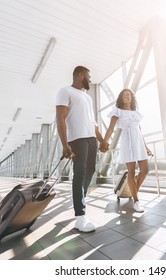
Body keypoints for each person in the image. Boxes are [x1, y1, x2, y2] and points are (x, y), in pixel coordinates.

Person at [56, 66, 108, 232]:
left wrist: (101, 140)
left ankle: (80, 200)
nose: (90, 80)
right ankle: (80, 217)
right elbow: (60, 119)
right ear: (80, 74)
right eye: (89, 76)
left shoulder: (88, 98)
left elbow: (93, 123)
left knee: (90, 170)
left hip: (91, 139)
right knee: (79, 174)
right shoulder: (65, 91)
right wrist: (65, 144)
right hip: (76, 139)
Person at [103, 88, 152, 212]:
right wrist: (104, 141)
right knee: (131, 172)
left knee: (145, 170)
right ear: (120, 97)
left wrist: (145, 146)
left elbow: (139, 130)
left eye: (129, 95)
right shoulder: (117, 111)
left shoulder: (135, 113)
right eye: (124, 95)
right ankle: (136, 201)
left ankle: (133, 190)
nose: (126, 96)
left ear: (132, 98)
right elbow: (110, 128)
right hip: (127, 140)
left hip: (138, 140)